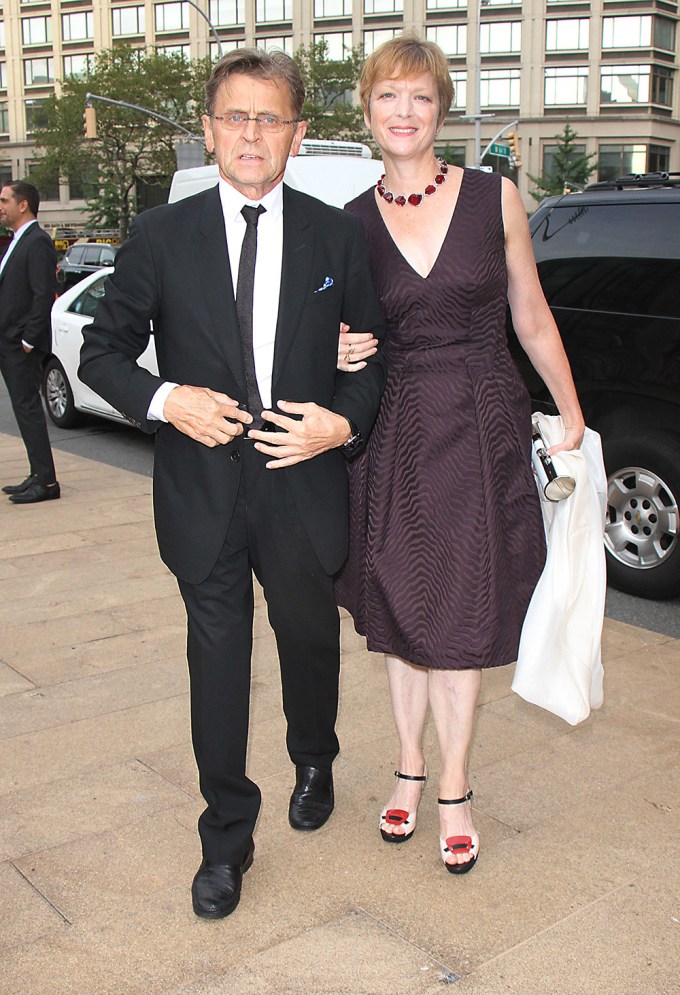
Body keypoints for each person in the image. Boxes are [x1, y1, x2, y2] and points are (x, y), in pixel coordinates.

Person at [79, 49, 385, 919]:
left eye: (271, 117)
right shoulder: (157, 235)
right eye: (236, 116)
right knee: (216, 660)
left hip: (301, 484)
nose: (253, 133)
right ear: (209, 130)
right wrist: (167, 398)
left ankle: (315, 752)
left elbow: (372, 355)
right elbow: (104, 352)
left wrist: (344, 419)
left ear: (295, 132)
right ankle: (226, 833)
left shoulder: (335, 235)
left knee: (306, 640)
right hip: (201, 491)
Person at [335, 36, 585, 874]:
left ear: (441, 110)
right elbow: (342, 338)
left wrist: (571, 411)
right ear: (367, 111)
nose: (404, 113)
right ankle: (407, 764)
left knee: (463, 612)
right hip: (396, 428)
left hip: (479, 419)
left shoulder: (493, 197)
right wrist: (336, 354)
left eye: (420, 98)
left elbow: (533, 314)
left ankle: (454, 783)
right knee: (406, 611)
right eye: (387, 98)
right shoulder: (350, 223)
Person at [0, 181, 60, 504]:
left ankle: (47, 483)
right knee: (23, 411)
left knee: (29, 409)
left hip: (21, 345)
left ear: (23, 205)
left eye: (4, 200)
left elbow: (42, 295)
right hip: (9, 342)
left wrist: (27, 340)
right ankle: (38, 474)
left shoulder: (36, 241)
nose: (0, 206)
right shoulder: (16, 241)